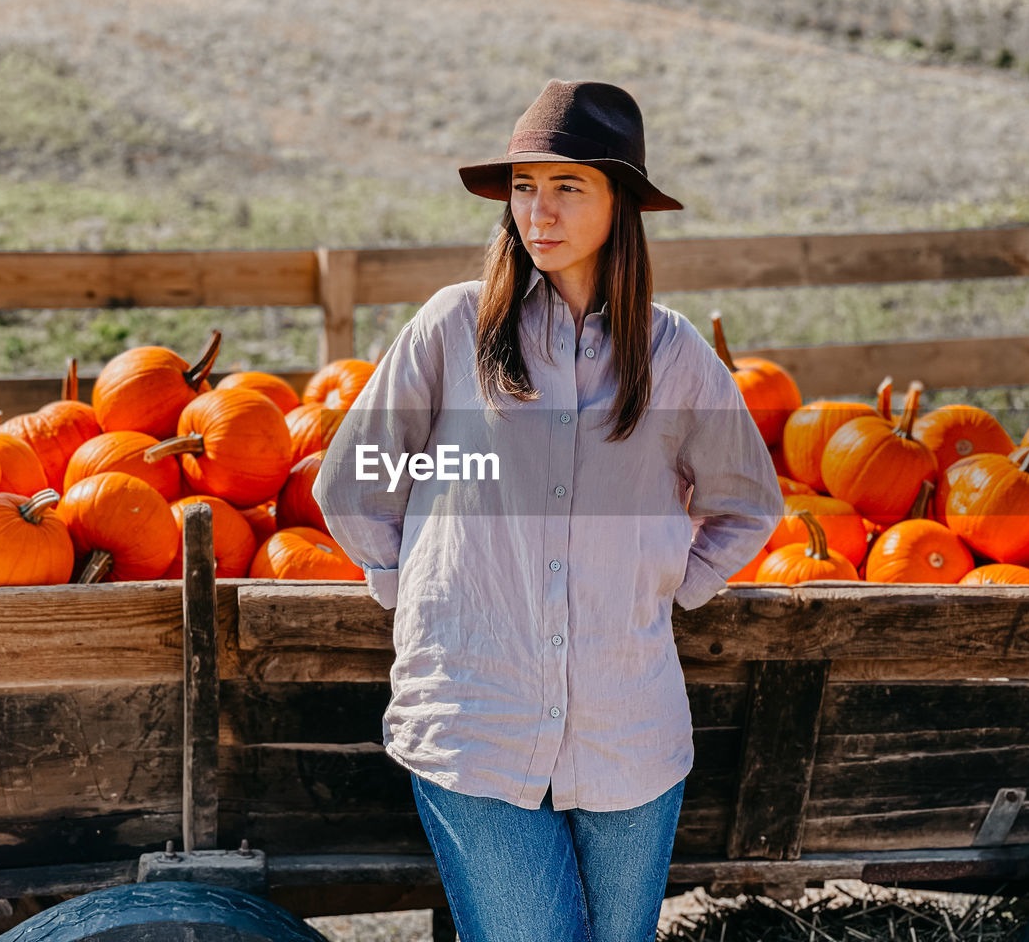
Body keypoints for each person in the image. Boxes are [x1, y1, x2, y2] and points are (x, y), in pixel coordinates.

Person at [313, 79, 782, 942]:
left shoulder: (671, 354)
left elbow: (748, 504)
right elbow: (354, 481)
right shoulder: (453, 329)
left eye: (569, 186)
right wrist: (409, 586)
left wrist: (672, 586)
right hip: (473, 720)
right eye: (526, 186)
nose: (540, 209)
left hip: (627, 731)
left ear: (621, 206)